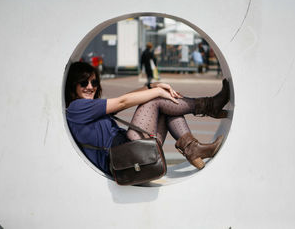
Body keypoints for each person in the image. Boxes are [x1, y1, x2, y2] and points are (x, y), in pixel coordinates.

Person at [65, 62, 230, 176]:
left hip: (136, 158)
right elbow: (123, 102)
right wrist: (157, 92)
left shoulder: (87, 108)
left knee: (166, 108)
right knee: (156, 100)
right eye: (83, 82)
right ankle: (210, 105)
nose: (90, 86)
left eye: (93, 82)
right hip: (128, 159)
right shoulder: (76, 108)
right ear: (73, 86)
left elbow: (126, 97)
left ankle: (193, 149)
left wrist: (153, 86)